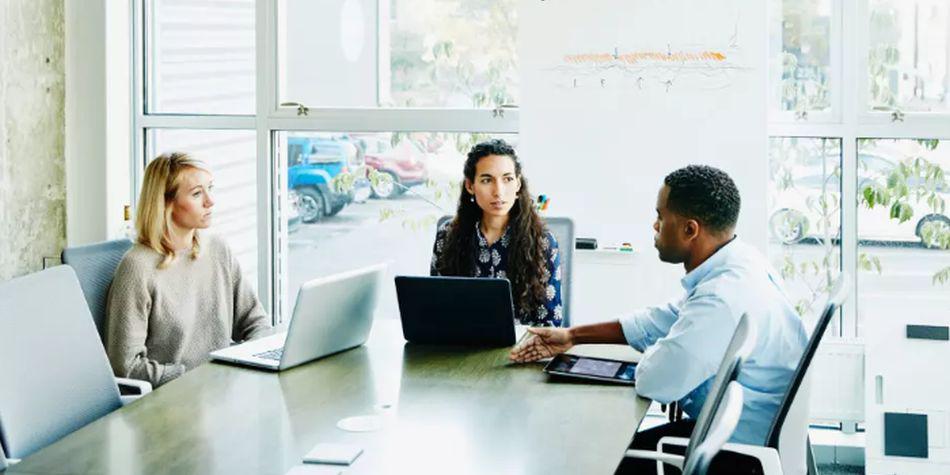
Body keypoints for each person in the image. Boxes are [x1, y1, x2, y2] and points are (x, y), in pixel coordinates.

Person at [509, 165, 807, 474]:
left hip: (735, 452)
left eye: (661, 217)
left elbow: (657, 380)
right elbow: (664, 319)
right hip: (737, 430)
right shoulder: (740, 261)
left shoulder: (722, 298)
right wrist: (572, 336)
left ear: (690, 230)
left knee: (591, 457)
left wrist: (663, 350)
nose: (655, 225)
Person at [106, 152, 271, 387]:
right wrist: (194, 377)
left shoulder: (217, 249)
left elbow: (255, 322)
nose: (210, 201)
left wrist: (254, 359)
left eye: (210, 189)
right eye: (196, 194)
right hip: (171, 401)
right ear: (165, 203)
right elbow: (126, 367)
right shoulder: (137, 268)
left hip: (220, 390)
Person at [431, 139, 563, 327]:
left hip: (522, 350)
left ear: (518, 184)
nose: (498, 191)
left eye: (508, 179)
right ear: (470, 186)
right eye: (486, 180)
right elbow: (436, 308)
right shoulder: (447, 236)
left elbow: (550, 323)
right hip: (461, 346)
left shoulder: (543, 242)